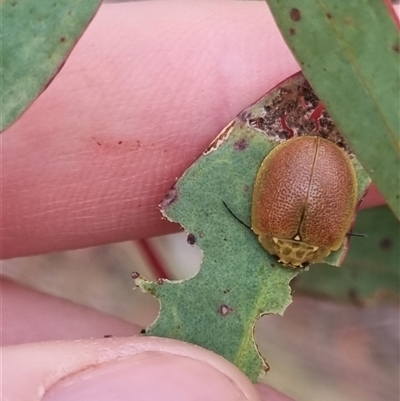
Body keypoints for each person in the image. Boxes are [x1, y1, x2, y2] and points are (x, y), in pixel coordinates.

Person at [1, 2, 385, 400]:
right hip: (308, 166)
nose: (287, 261)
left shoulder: (288, 230)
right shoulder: (282, 229)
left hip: (304, 162)